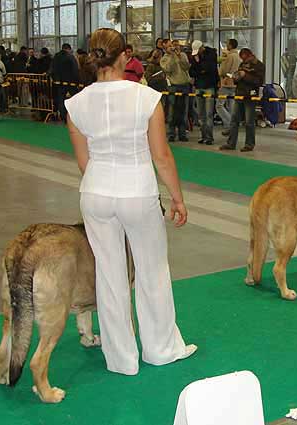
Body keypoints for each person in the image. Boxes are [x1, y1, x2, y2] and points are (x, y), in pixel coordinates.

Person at [64, 28, 197, 376]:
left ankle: (121, 359)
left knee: (109, 276)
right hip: (137, 193)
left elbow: (84, 162)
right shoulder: (147, 98)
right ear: (124, 55)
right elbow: (162, 157)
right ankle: (160, 349)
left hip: (95, 193)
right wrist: (178, 199)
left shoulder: (75, 104)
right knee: (152, 271)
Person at [219, 48, 265, 152]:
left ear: (250, 55)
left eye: (245, 58)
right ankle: (231, 143)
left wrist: (245, 76)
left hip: (250, 96)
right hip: (239, 94)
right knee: (234, 120)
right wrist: (236, 78)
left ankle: (249, 144)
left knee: (249, 122)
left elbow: (258, 81)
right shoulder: (242, 64)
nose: (244, 61)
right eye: (242, 59)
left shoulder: (259, 66)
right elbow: (238, 77)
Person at [189, 40, 219, 145]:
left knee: (209, 113)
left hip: (209, 87)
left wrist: (198, 64)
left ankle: (209, 137)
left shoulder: (211, 55)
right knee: (201, 113)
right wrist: (199, 69)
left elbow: (208, 68)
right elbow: (191, 72)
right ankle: (203, 135)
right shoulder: (194, 57)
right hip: (198, 86)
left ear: (202, 48)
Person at [162, 39, 191, 142]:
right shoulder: (165, 58)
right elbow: (168, 69)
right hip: (173, 86)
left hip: (184, 85)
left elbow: (186, 67)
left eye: (174, 45)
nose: (173, 47)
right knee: (172, 110)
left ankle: (182, 133)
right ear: (166, 48)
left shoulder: (182, 55)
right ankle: (171, 133)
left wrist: (179, 56)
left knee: (183, 110)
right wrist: (172, 57)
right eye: (170, 46)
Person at [216, 38, 241, 136]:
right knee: (231, 106)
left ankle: (230, 124)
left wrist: (220, 72)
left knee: (219, 105)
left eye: (227, 44)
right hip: (235, 84)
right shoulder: (238, 56)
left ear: (230, 45)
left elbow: (223, 71)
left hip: (226, 83)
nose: (226, 45)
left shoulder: (229, 57)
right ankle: (232, 126)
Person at [50, 43, 80, 123]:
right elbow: (75, 70)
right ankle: (76, 116)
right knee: (75, 98)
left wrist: (55, 79)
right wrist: (77, 81)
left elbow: (52, 69)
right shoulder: (70, 57)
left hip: (59, 82)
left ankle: (63, 117)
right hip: (71, 82)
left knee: (61, 100)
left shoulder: (56, 56)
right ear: (68, 49)